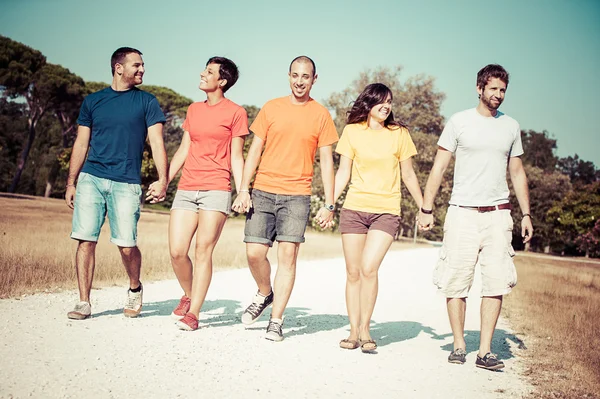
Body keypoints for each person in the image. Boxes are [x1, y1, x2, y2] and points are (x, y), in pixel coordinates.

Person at [418, 64, 533, 371]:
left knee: (496, 281)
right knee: (456, 281)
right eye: (494, 88)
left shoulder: (511, 126)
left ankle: (484, 352)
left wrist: (526, 214)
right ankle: (458, 345)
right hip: (462, 214)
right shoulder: (459, 122)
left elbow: (517, 171)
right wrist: (426, 208)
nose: (499, 95)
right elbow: (439, 166)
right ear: (479, 88)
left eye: (503, 90)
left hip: (498, 214)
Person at [231, 56, 338, 341]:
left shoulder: (321, 114)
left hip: (297, 196)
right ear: (288, 76)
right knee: (254, 253)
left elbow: (326, 162)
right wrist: (244, 188)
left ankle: (276, 320)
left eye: (305, 76)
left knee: (287, 257)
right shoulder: (271, 107)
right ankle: (265, 292)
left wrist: (329, 203)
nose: (299, 81)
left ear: (314, 79)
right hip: (263, 190)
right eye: (295, 75)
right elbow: (254, 151)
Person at [65, 47, 168, 320]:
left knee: (126, 244)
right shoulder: (93, 101)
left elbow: (156, 142)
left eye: (143, 65)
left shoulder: (147, 102)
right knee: (85, 240)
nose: (142, 69)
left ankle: (134, 287)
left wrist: (163, 179)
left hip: (126, 182)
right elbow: (81, 142)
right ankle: (84, 302)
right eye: (137, 65)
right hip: (92, 177)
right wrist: (71, 182)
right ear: (118, 68)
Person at [153, 57, 248, 331]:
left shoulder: (236, 113)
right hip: (186, 187)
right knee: (177, 251)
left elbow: (237, 157)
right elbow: (183, 150)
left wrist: (243, 191)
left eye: (209, 72)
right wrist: (164, 181)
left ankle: (193, 313)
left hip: (216, 188)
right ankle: (189, 294)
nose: (202, 74)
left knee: (203, 250)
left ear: (222, 81)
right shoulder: (193, 109)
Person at [331, 83, 423, 353]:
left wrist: (423, 207)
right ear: (369, 103)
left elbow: (408, 174)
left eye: (390, 101)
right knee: (353, 271)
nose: (386, 106)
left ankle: (365, 329)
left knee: (369, 268)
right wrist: (329, 204)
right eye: (381, 101)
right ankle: (352, 331)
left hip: (386, 210)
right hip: (354, 208)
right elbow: (343, 173)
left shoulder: (399, 134)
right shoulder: (351, 132)